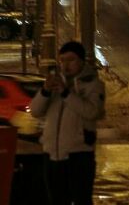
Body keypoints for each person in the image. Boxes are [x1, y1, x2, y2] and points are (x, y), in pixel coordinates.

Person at [31, 41, 104, 205]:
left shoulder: (93, 85)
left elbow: (92, 112)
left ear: (81, 61)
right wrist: (45, 91)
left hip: (78, 154)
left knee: (81, 199)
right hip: (52, 154)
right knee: (57, 199)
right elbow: (35, 111)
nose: (65, 65)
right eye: (62, 60)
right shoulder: (56, 84)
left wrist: (66, 93)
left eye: (70, 60)